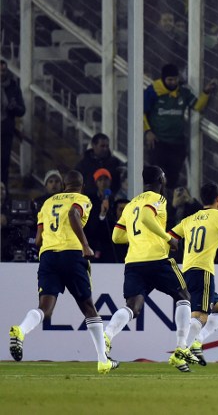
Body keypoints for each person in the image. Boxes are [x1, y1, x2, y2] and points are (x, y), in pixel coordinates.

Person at [8, 170, 118, 374]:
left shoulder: (47, 203)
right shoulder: (81, 199)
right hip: (71, 254)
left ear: (63, 185)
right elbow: (73, 214)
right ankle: (103, 360)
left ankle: (21, 330)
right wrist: (85, 244)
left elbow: (39, 239)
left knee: (45, 309)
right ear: (82, 185)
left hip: (48, 257)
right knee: (88, 308)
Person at [104, 165, 198, 372]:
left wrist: (138, 238)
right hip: (157, 259)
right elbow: (147, 217)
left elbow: (116, 237)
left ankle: (108, 334)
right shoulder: (158, 199)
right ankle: (181, 349)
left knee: (133, 306)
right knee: (183, 296)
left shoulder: (130, 205)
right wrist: (167, 238)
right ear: (160, 179)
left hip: (134, 262)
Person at [169, 182, 218, 366]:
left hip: (186, 270)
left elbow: (170, 238)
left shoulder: (190, 219)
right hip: (202, 271)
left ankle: (197, 343)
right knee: (200, 316)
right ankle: (180, 351)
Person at [144, 63, 217, 191]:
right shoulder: (153, 91)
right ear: (163, 79)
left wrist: (206, 92)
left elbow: (197, 106)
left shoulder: (183, 92)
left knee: (173, 180)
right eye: (170, 80)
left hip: (177, 144)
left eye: (175, 79)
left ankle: (170, 206)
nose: (173, 82)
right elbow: (142, 112)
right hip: (158, 143)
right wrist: (148, 131)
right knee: (157, 179)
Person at [1, 59, 26, 187]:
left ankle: (3, 193)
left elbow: (22, 110)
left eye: (3, 70)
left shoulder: (13, 87)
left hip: (6, 130)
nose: (1, 73)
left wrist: (14, 107)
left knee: (4, 163)